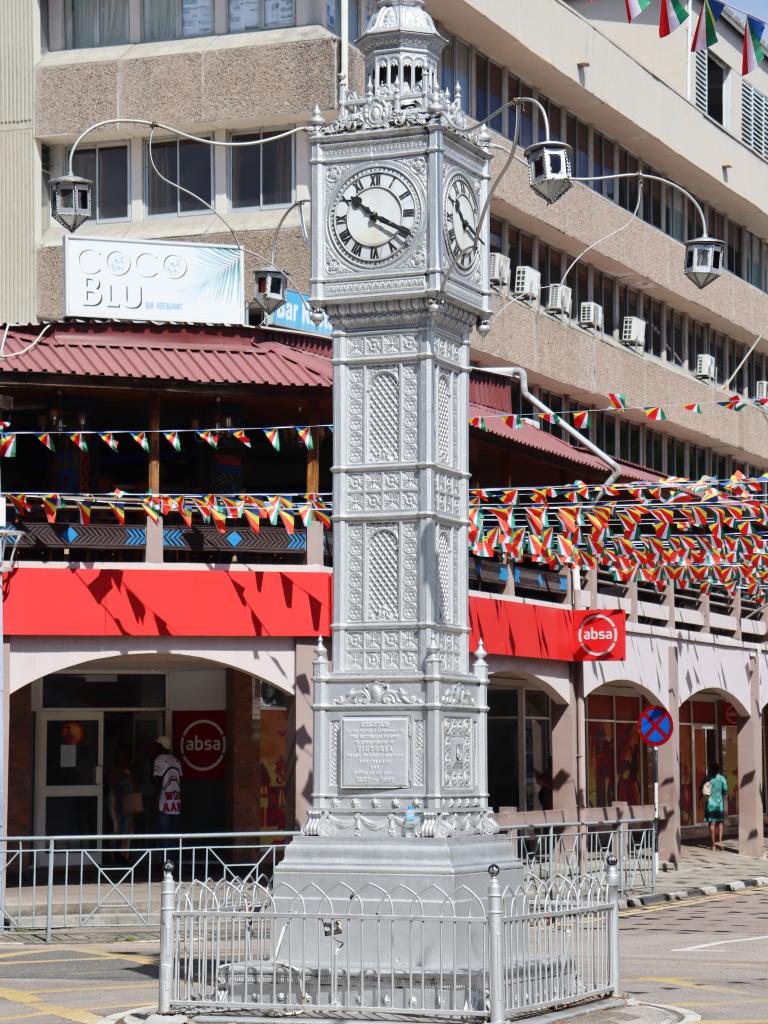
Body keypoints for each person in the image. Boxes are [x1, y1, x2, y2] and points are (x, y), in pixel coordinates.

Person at [106, 746, 135, 860]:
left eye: (125, 755)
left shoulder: (131, 769)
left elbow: (136, 782)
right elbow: (112, 783)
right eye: (120, 755)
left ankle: (124, 855)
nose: (123, 757)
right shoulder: (113, 769)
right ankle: (112, 855)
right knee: (116, 827)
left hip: (129, 802)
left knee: (128, 829)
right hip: (115, 802)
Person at [152, 735, 182, 834]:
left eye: (157, 745)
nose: (155, 747)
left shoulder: (159, 759)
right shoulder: (176, 761)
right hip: (175, 803)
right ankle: (173, 850)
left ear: (161, 746)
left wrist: (156, 802)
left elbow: (158, 782)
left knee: (164, 834)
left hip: (164, 803)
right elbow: (181, 782)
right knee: (173, 834)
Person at [702, 761, 728, 851]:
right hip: (719, 804)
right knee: (720, 822)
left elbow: (702, 789)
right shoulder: (722, 778)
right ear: (718, 769)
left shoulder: (708, 778)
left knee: (712, 823)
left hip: (710, 803)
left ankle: (713, 845)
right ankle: (720, 842)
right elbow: (725, 789)